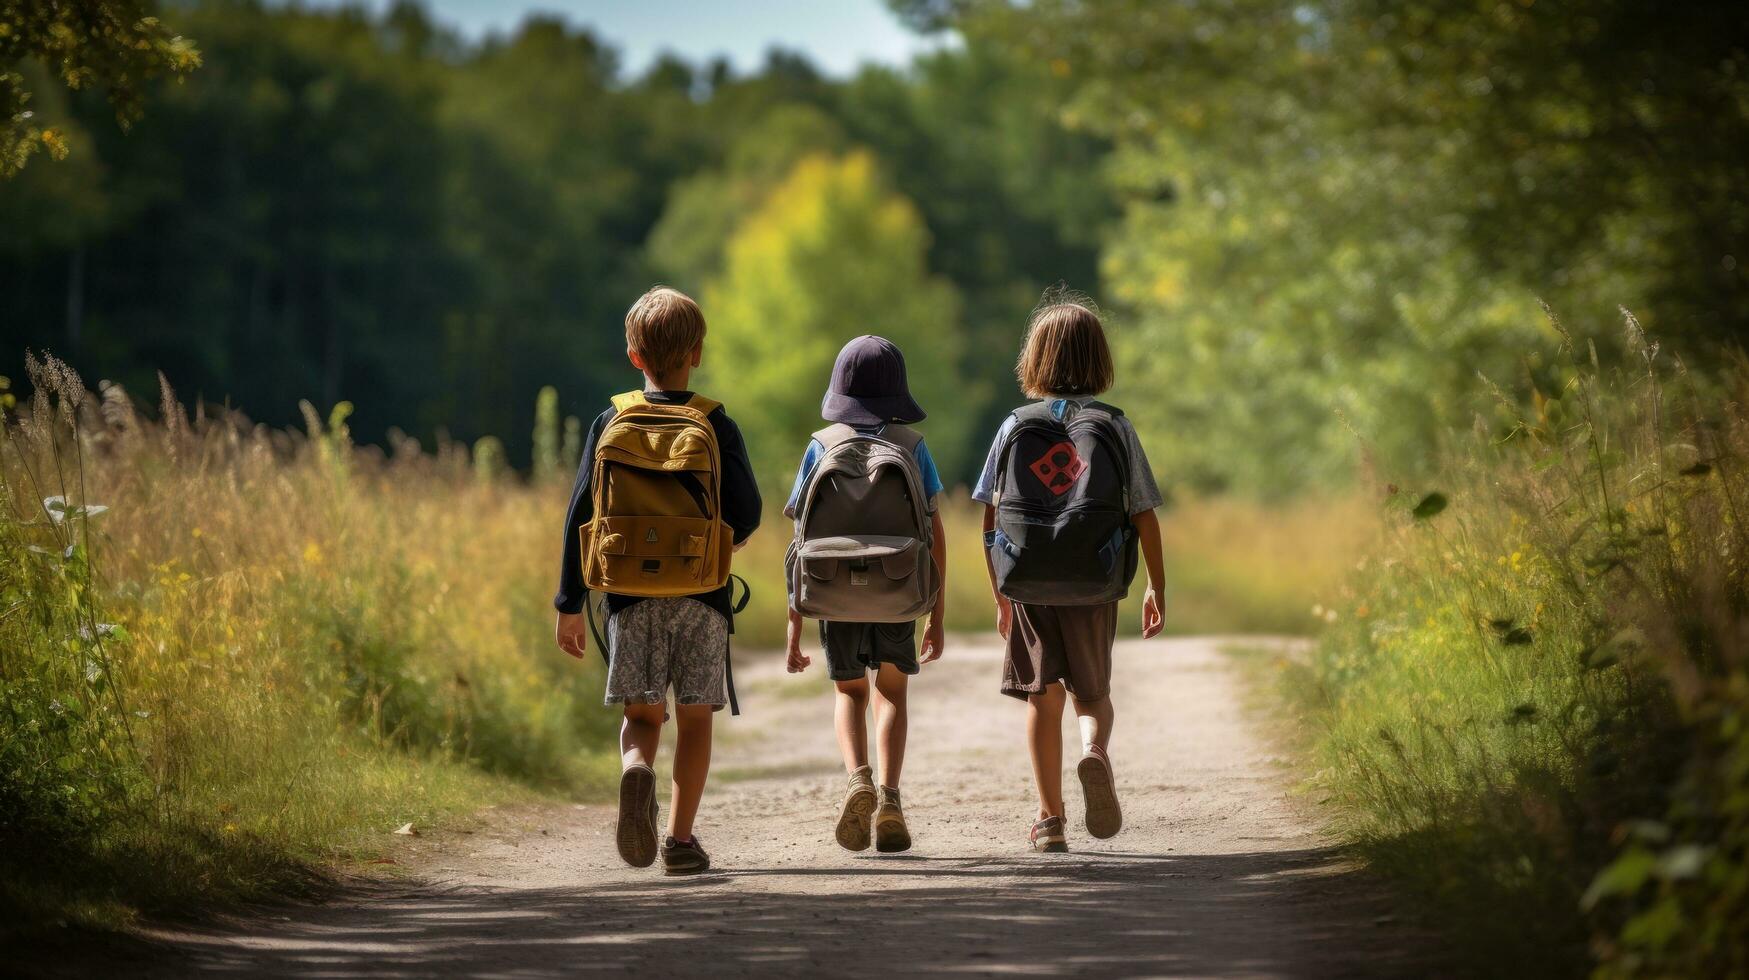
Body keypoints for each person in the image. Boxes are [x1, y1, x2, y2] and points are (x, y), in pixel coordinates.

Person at [553, 286, 761, 876]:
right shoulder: (715, 423)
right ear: (696, 352)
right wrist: (726, 538)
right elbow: (747, 510)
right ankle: (680, 840)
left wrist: (570, 602)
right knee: (695, 718)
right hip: (702, 595)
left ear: (633, 355)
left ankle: (636, 772)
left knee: (643, 719)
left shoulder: (611, 419)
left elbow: (579, 518)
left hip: (629, 597)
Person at [973, 291, 1166, 853]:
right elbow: (1143, 511)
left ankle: (1049, 819)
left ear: (1035, 359)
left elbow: (989, 512)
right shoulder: (1115, 425)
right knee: (1093, 693)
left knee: (1042, 696)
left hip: (1029, 577)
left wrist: (999, 591)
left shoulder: (1014, 425)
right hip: (1094, 577)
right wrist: (1156, 583)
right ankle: (1094, 752)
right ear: (1098, 359)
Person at [783, 336, 948, 853]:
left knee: (850, 692)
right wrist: (935, 614)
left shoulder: (820, 445)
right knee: (891, 694)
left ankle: (858, 777)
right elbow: (934, 533)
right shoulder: (913, 447)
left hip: (833, 593)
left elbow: (800, 540)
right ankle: (891, 798)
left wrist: (794, 626)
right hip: (898, 589)